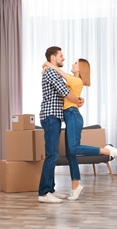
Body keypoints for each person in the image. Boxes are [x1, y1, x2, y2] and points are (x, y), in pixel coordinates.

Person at [43, 58, 117, 201]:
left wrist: (47, 64)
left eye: (76, 64)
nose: (73, 64)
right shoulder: (73, 81)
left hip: (73, 115)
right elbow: (60, 87)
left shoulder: (76, 80)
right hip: (70, 116)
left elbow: (59, 72)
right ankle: (75, 186)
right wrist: (45, 69)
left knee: (73, 148)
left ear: (80, 69)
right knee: (70, 154)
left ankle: (108, 151)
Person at [38, 46, 85, 204]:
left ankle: (50, 189)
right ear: (53, 58)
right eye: (61, 56)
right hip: (51, 116)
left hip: (54, 116)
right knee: (52, 155)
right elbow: (65, 92)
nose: (63, 58)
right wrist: (77, 100)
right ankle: (44, 193)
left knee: (53, 154)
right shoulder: (51, 72)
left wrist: (78, 99)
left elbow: (67, 90)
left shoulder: (49, 70)